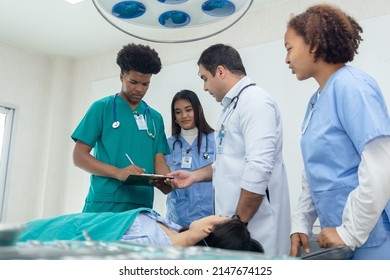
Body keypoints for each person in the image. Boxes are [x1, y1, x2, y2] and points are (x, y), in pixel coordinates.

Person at [284, 4, 390, 259]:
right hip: (338, 236)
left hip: (370, 237)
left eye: (289, 48)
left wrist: (350, 232)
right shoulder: (316, 101)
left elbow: (381, 165)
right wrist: (301, 222)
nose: (286, 59)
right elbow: (313, 172)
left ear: (314, 44)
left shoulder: (352, 87)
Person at [168, 44, 291, 256]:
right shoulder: (231, 108)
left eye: (204, 78)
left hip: (255, 227)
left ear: (221, 71)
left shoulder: (255, 101)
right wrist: (194, 176)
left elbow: (259, 167)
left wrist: (238, 223)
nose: (205, 87)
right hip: (235, 228)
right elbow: (227, 164)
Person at [71, 43, 171, 213]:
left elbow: (159, 161)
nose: (139, 89)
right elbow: (79, 157)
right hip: (104, 203)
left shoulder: (155, 118)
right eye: (133, 82)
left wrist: (168, 181)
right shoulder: (101, 108)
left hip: (141, 206)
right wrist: (118, 172)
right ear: (121, 77)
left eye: (145, 84)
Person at [19, 208, 264, 253]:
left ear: (208, 229)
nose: (217, 213)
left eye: (221, 216)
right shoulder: (173, 230)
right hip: (61, 225)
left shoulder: (149, 245)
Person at [165, 89, 215, 227]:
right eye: (178, 112)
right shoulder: (167, 145)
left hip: (210, 218)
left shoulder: (215, 140)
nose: (184, 116)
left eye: (188, 110)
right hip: (177, 220)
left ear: (198, 110)